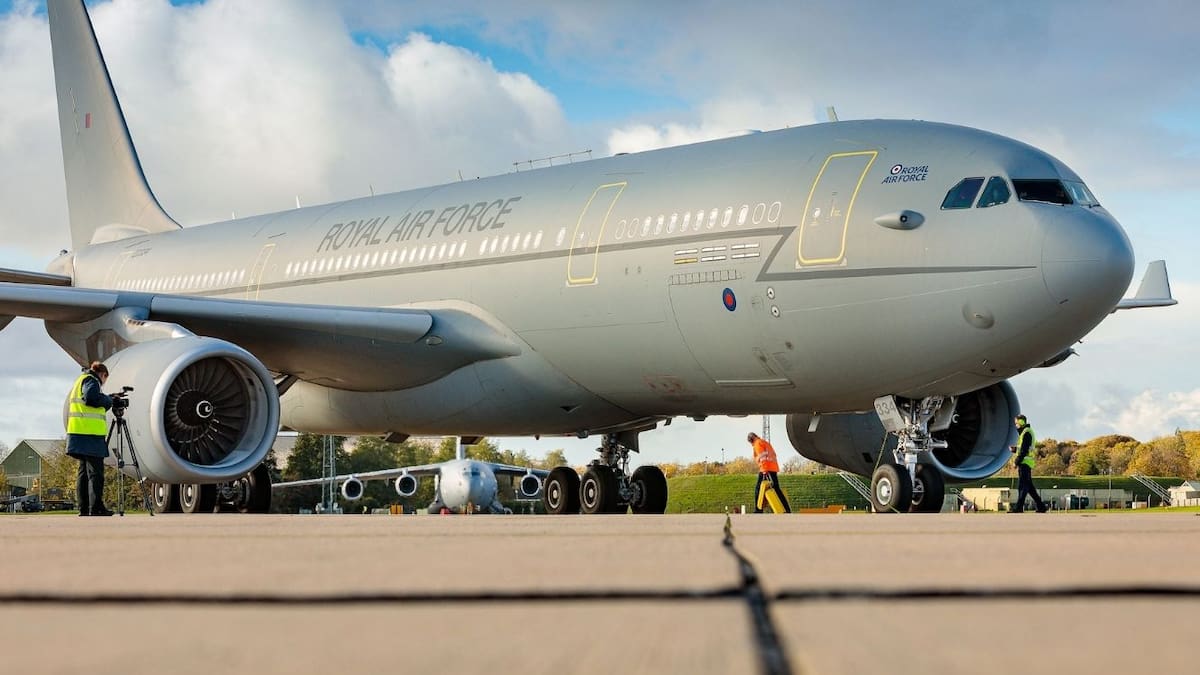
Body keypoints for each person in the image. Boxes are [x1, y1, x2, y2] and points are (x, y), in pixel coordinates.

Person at [66, 361, 114, 516]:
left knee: (84, 473)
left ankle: (84, 508)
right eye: (105, 379)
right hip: (90, 435)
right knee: (96, 474)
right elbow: (91, 398)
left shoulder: (80, 380)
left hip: (78, 434)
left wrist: (106, 398)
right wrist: (109, 400)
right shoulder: (91, 380)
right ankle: (96, 507)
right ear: (102, 374)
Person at [1010, 414, 1047, 513]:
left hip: (1024, 463)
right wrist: (1015, 449)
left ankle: (1018, 507)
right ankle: (1041, 506)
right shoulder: (1026, 433)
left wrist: (1016, 462)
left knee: (1022, 486)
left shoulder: (1026, 433)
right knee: (1029, 488)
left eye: (1016, 423)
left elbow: (1024, 450)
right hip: (1026, 462)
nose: (1015, 425)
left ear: (1021, 423)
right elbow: (1023, 449)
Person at [747, 432, 791, 513]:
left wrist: (764, 471)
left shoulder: (757, 444)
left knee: (758, 489)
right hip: (773, 467)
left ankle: (758, 510)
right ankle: (787, 508)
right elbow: (773, 454)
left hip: (766, 468)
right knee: (776, 489)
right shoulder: (765, 443)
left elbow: (762, 458)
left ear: (751, 441)